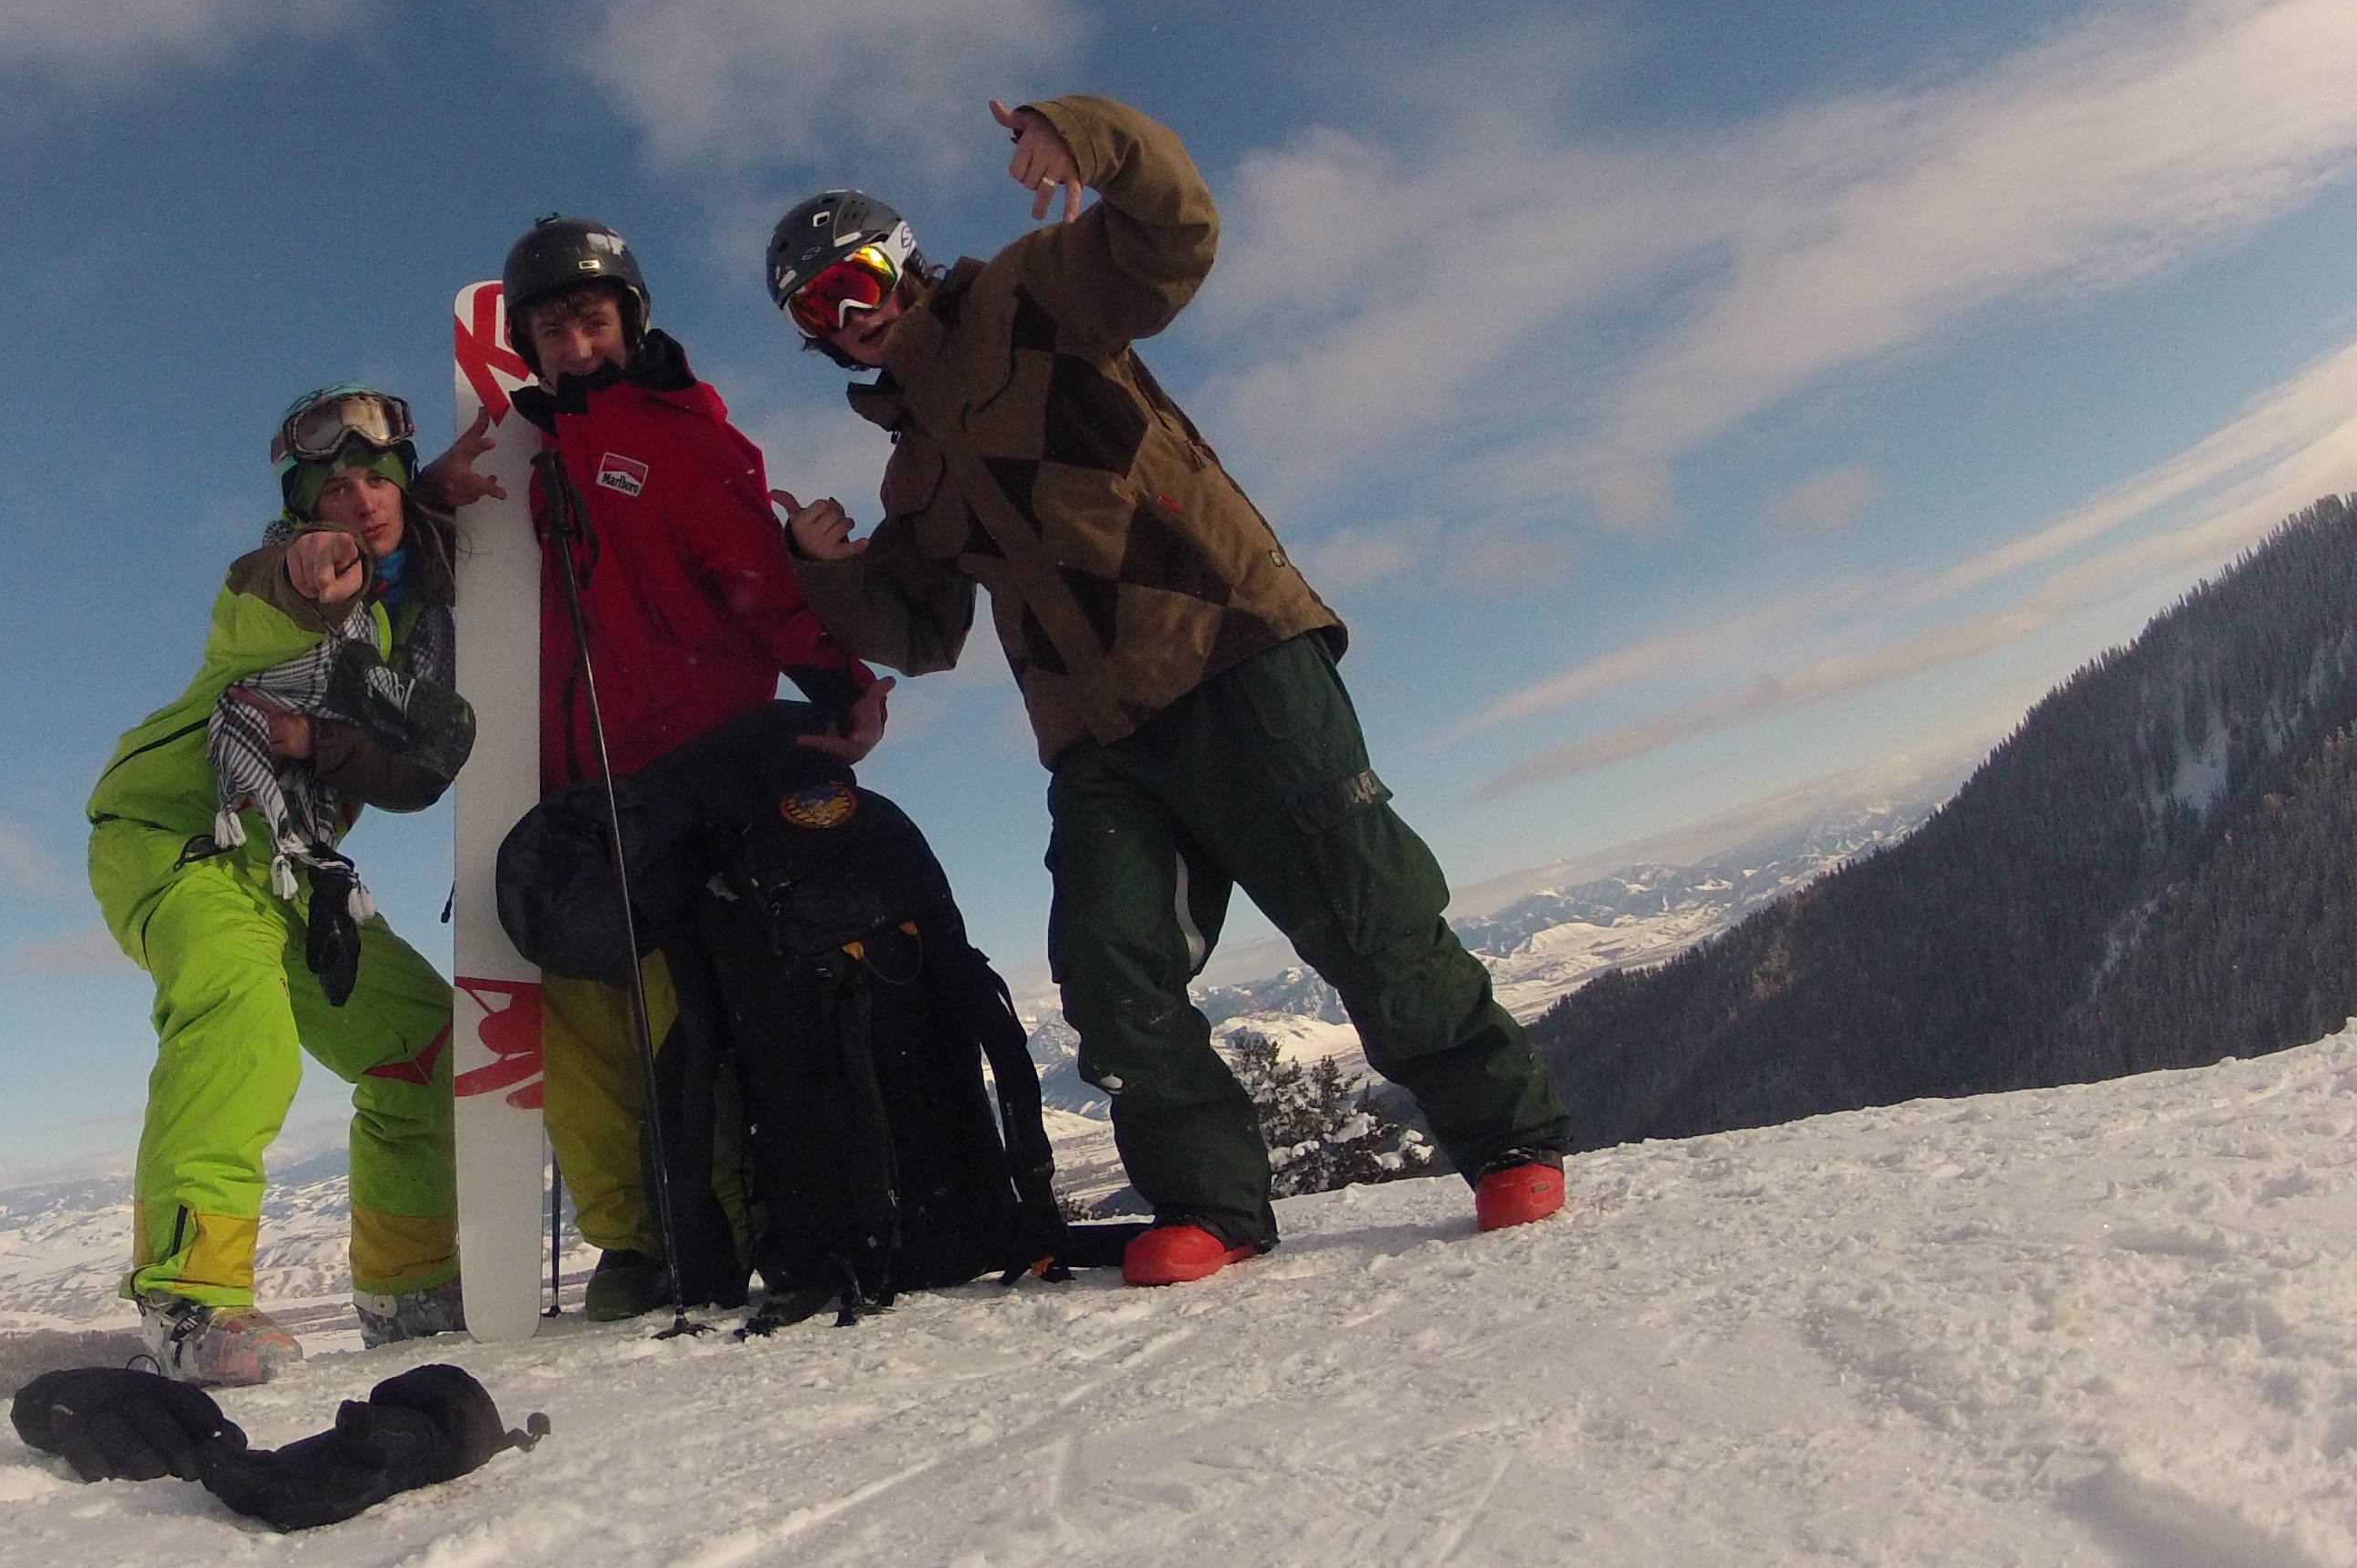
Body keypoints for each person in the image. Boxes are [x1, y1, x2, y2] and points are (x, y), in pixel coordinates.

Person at [768, 96, 1571, 1285]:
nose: (852, 319)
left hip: (1228, 647)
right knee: (1108, 963)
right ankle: (1211, 1205)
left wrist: (1083, 135)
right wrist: (830, 577)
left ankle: (1507, 1137)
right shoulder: (914, 471)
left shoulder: (1037, 293)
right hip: (1094, 732)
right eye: (819, 314)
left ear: (903, 261)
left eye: (858, 282)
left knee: (1360, 905)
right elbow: (922, 630)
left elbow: (1175, 236)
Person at [438, 217, 884, 1319]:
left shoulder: (679, 436)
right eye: (553, 331)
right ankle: (632, 1245)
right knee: (584, 1025)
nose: (577, 347)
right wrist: (430, 493)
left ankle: (718, 1230)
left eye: (593, 321)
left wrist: (840, 679)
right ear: (530, 349)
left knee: (687, 1020)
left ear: (631, 322)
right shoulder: (534, 457)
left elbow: (756, 579)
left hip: (686, 777)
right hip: (566, 792)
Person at [84, 387, 475, 1384]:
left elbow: (413, 780)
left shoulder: (408, 633)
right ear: (304, 515)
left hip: (293, 872)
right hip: (178, 835)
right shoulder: (269, 586)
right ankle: (189, 1301)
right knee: (240, 1011)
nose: (356, 500)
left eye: (373, 480)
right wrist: (311, 569)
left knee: (424, 1041)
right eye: (330, 491)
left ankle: (409, 1290)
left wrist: (324, 738)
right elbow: (288, 581)